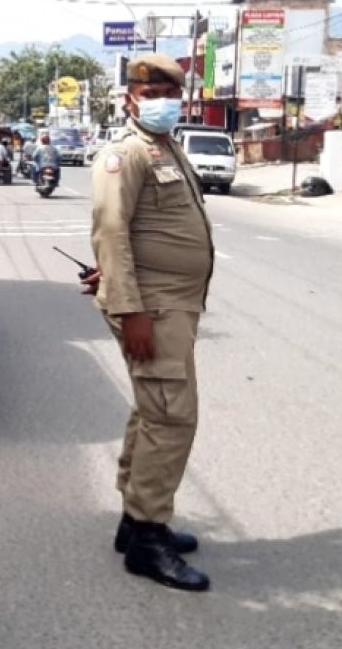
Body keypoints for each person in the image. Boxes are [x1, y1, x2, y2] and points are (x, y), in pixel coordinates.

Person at [88, 53, 214, 592]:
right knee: (171, 417)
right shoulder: (124, 155)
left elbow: (141, 231)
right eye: (152, 92)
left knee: (152, 412)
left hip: (171, 303)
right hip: (153, 308)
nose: (163, 101)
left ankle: (133, 517)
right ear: (130, 98)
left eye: (170, 92)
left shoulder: (165, 148)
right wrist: (130, 309)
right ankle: (148, 537)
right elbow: (111, 230)